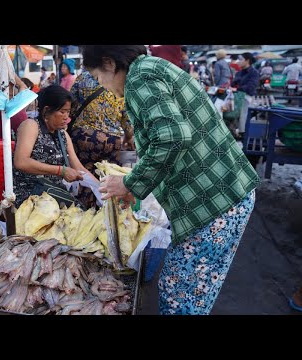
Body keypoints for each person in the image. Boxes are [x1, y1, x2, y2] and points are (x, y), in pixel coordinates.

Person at [81, 45, 259, 315]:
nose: (102, 86)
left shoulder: (139, 77)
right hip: (225, 196)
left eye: (98, 77)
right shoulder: (152, 68)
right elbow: (169, 136)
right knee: (189, 293)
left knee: (180, 296)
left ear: (109, 63)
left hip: (214, 202)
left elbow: (172, 137)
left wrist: (130, 184)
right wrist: (138, 187)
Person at [13, 85, 99, 208]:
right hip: (31, 198)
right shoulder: (31, 126)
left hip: (54, 196)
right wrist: (61, 171)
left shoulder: (62, 134)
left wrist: (102, 188)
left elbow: (79, 168)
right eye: (62, 112)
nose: (66, 117)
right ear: (46, 111)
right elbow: (21, 162)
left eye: (68, 112)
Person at [69, 68, 134, 208]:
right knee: (111, 178)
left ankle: (87, 212)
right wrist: (128, 137)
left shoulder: (83, 78)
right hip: (112, 140)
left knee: (85, 176)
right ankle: (111, 214)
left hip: (85, 136)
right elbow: (126, 115)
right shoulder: (118, 78)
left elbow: (70, 105)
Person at [230, 52, 259, 138]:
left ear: (247, 61)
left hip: (247, 97)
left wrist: (237, 89)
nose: (238, 61)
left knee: (242, 107)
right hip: (237, 96)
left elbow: (250, 87)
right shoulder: (239, 72)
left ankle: (242, 133)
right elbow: (232, 84)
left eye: (241, 59)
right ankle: (233, 131)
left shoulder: (254, 72)